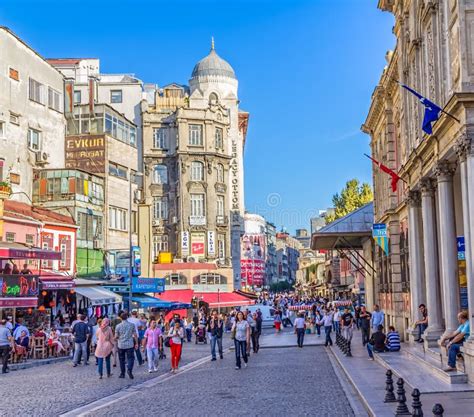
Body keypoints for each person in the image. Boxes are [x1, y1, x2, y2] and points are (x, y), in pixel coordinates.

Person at [115, 312, 138, 379]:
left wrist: (116, 338)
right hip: (129, 344)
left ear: (120, 318)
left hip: (121, 345)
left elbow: (116, 336)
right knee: (131, 358)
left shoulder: (118, 326)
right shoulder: (132, 325)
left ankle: (122, 373)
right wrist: (136, 343)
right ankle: (129, 369)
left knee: (121, 359)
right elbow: (135, 335)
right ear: (127, 317)